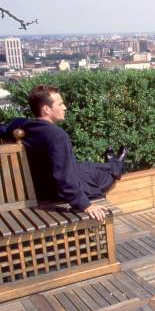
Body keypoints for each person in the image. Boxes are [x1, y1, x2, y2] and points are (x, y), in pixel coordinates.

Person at [5, 85, 126, 222]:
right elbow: (63, 178)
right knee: (105, 176)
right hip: (55, 191)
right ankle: (118, 165)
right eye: (60, 104)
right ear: (46, 109)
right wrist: (85, 205)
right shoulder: (57, 136)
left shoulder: (26, 126)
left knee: (90, 166)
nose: (65, 107)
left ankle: (113, 163)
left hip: (44, 183)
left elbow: (7, 128)